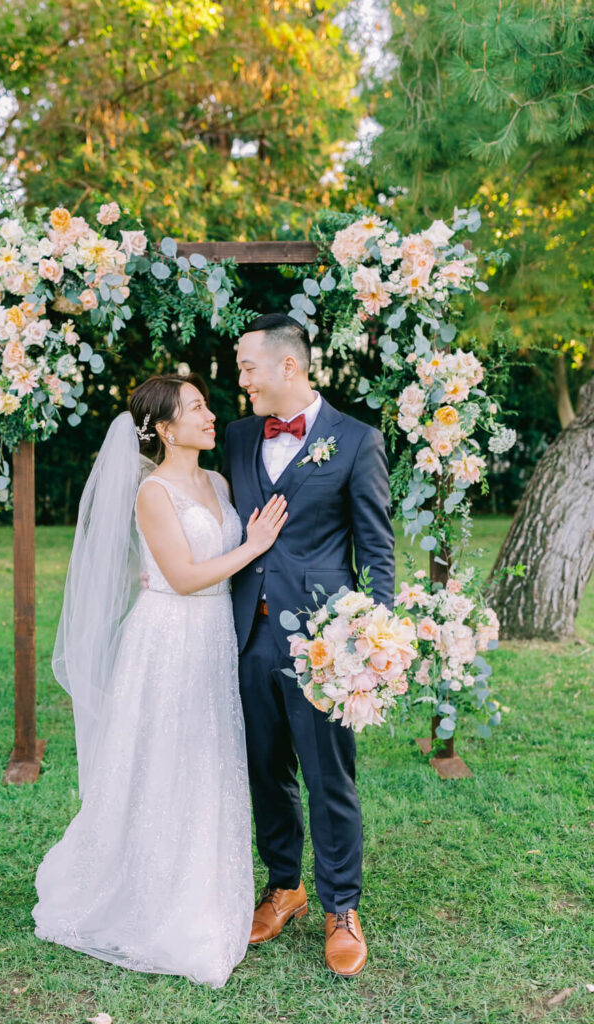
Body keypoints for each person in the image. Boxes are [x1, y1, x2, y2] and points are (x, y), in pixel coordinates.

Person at [32, 373, 288, 988]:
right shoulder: (153, 492)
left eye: (206, 403)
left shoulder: (219, 481)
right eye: (196, 407)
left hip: (212, 640)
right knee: (164, 764)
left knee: (207, 762)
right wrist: (253, 545)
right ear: (167, 429)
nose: (209, 414)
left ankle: (202, 892)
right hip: (168, 640)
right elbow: (184, 575)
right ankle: (149, 898)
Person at [222, 313, 396, 977]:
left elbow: (376, 551)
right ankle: (284, 886)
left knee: (329, 775)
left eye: (247, 368)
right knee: (265, 768)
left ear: (287, 367)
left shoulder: (356, 441)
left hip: (327, 645)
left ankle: (342, 905)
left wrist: (370, 644)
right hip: (247, 634)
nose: (241, 382)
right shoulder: (238, 439)